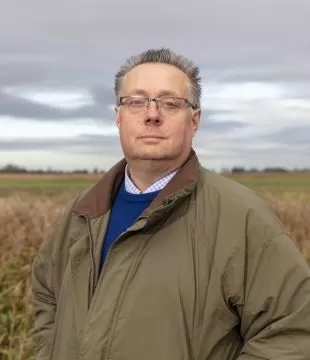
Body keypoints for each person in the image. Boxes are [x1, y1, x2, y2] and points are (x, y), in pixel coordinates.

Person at [31, 48, 310, 360]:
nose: (152, 114)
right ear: (118, 117)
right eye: (136, 102)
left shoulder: (242, 217)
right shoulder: (84, 212)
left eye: (169, 103)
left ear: (194, 120)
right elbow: (46, 292)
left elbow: (290, 332)